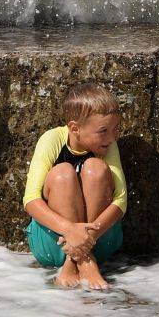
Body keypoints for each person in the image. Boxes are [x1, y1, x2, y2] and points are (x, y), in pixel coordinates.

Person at [22, 81, 128, 290]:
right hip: (53, 245)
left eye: (115, 129)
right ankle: (85, 262)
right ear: (74, 128)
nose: (112, 137)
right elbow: (30, 200)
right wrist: (70, 231)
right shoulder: (52, 139)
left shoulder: (109, 145)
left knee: (95, 168)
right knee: (62, 173)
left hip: (99, 241)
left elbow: (121, 201)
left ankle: (77, 261)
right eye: (103, 130)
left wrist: (84, 241)